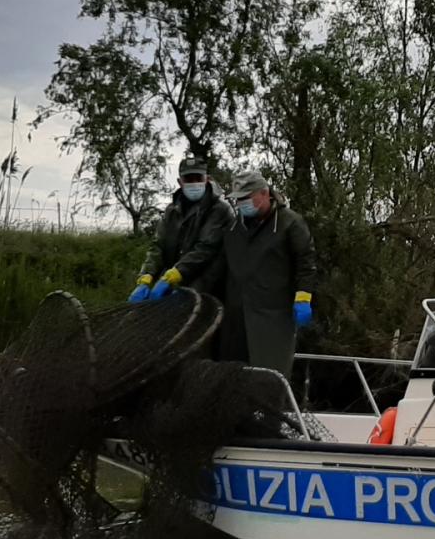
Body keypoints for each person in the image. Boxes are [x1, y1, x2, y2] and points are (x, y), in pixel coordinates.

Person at [216, 168, 318, 377]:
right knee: (233, 378)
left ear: (264, 193)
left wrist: (303, 297)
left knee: (269, 377)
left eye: (247, 197)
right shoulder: (234, 227)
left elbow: (306, 263)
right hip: (236, 319)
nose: (242, 203)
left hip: (274, 318)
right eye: (238, 199)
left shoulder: (290, 222)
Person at [128, 156, 234, 303]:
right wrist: (146, 276)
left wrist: (177, 274)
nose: (194, 183)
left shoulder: (219, 209)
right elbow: (158, 245)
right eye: (188, 179)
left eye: (198, 178)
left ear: (207, 178)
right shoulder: (172, 211)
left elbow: (205, 249)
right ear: (180, 182)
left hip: (209, 289)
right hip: (175, 284)